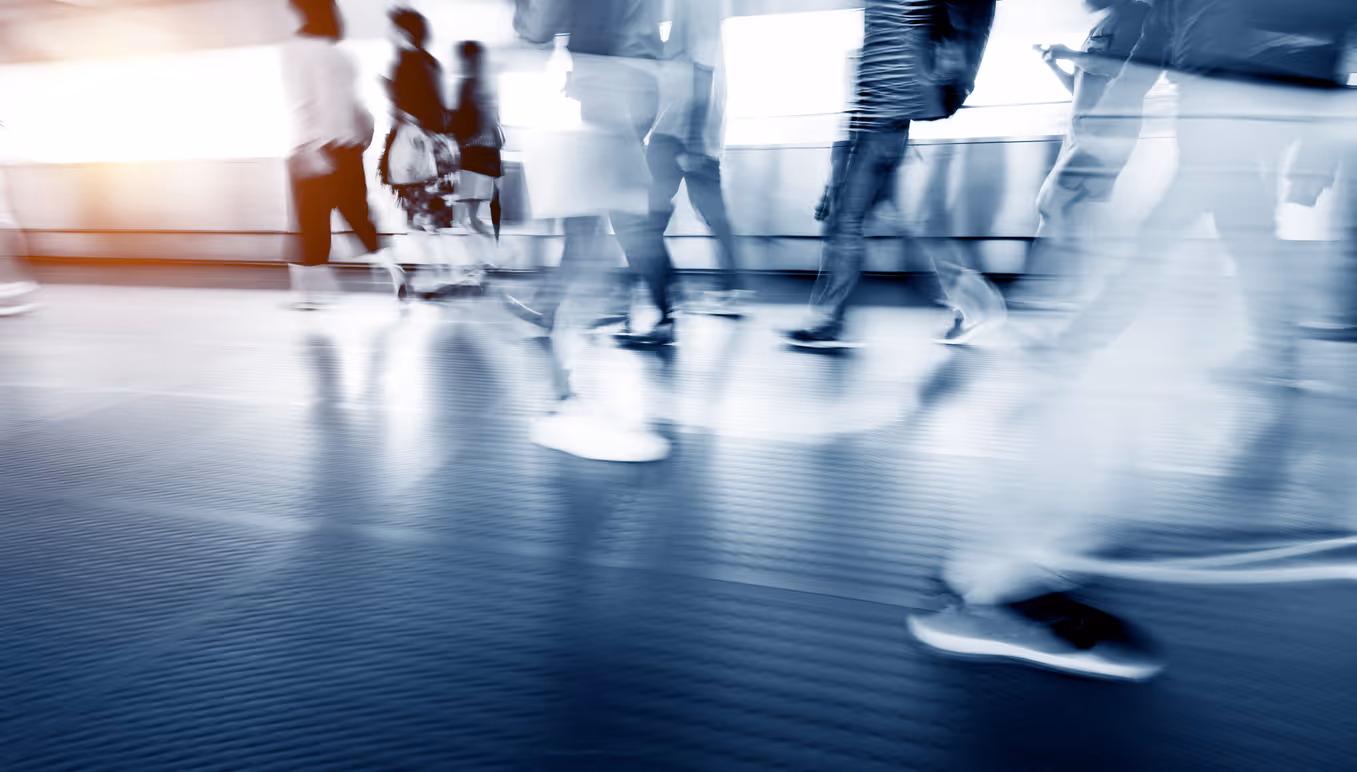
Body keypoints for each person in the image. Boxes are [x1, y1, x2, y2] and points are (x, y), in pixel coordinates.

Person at [908, 0, 1357, 681]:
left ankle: (1005, 575)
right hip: (1234, 73)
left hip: (1252, 74)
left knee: (1153, 320)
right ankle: (996, 585)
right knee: (1142, 339)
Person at [784, 0, 999, 350]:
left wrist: (866, 130)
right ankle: (967, 303)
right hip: (880, 125)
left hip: (880, 127)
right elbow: (879, 62)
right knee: (893, 227)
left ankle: (832, 322)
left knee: (847, 223)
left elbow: (893, 62)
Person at [1008, 0, 1151, 312]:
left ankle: (1041, 288)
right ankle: (1081, 292)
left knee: (1051, 202)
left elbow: (1123, 71)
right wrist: (1055, 63)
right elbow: (1082, 86)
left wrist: (1070, 54)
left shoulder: (1134, 16)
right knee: (1074, 215)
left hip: (1107, 132)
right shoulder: (1102, 26)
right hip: (1082, 134)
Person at [282, 0, 395, 310]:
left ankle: (311, 294)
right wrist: (362, 140)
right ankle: (397, 276)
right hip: (347, 148)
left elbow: (300, 103)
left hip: (313, 148)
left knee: (309, 223)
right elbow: (360, 109)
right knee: (358, 214)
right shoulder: (341, 56)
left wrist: (307, 147)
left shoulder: (296, 50)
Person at [379, 7, 456, 295]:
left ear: (404, 32)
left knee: (418, 218)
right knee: (429, 217)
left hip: (413, 150)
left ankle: (440, 273)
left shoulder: (403, 64)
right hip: (436, 149)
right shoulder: (431, 62)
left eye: (391, 27)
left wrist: (389, 92)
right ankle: (444, 271)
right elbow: (438, 107)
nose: (387, 33)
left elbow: (406, 111)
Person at [445, 40, 503, 290]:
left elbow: (462, 127)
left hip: (473, 159)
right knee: (469, 218)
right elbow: (492, 129)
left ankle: (485, 262)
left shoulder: (469, 87)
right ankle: (485, 262)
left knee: (468, 219)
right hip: (485, 160)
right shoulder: (484, 88)